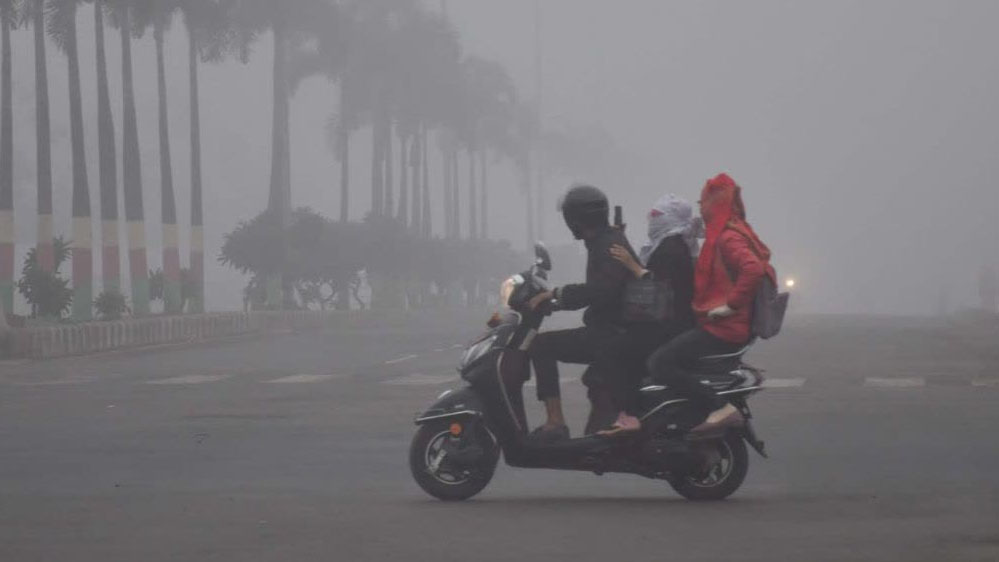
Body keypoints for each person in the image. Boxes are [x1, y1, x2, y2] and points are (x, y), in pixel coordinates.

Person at [645, 173, 775, 433]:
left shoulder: (727, 237)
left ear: (715, 204)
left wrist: (731, 306)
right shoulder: (730, 230)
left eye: (702, 203)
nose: (700, 209)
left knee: (659, 363)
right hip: (724, 325)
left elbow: (752, 268)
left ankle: (720, 406)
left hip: (724, 329)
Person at [525, 184, 637, 442]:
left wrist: (556, 295)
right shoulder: (605, 239)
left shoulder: (607, 244)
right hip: (614, 328)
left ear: (575, 219)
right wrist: (557, 301)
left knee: (541, 345)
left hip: (612, 333)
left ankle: (555, 421)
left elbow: (601, 291)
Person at [597, 194, 700, 436]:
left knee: (612, 350)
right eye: (651, 215)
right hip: (669, 321)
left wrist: (632, 266)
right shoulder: (668, 244)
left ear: (671, 219)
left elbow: (657, 289)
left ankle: (629, 413)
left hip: (669, 326)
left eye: (657, 216)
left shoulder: (671, 248)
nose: (652, 220)